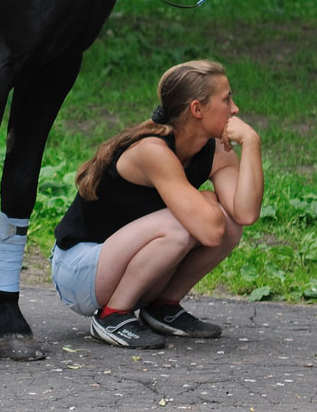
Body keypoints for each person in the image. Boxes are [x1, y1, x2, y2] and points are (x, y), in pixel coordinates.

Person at [51, 60, 263, 349]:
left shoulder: (214, 152)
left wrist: (251, 143)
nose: (235, 109)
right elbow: (208, 231)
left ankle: (162, 307)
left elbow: (245, 214)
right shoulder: (153, 151)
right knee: (184, 225)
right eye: (226, 100)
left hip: (123, 266)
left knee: (229, 224)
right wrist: (207, 199)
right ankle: (112, 316)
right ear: (197, 110)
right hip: (79, 271)